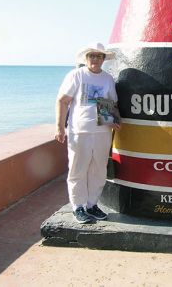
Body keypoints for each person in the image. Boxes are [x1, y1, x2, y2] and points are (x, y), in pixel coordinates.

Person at [55, 42, 120, 224]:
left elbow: (111, 103)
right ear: (86, 58)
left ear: (103, 59)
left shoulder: (108, 78)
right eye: (92, 55)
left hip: (102, 131)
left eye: (99, 56)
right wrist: (60, 127)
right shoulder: (76, 75)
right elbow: (62, 101)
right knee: (77, 170)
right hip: (79, 131)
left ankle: (92, 204)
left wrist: (115, 120)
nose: (96, 59)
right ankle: (78, 207)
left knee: (98, 170)